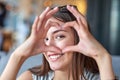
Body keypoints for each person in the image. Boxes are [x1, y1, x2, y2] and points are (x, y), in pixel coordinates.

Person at [0, 5, 116, 80]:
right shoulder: (31, 78)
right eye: (45, 38)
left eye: (59, 36)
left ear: (80, 39)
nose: (49, 45)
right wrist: (18, 56)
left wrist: (102, 56)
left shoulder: (103, 77)